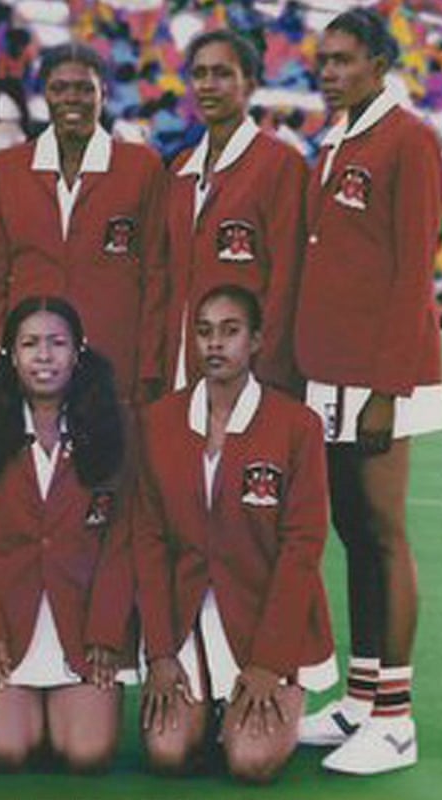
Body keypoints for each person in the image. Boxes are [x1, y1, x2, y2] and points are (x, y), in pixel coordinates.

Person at [293, 9, 442, 775]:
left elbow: (410, 272)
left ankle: (396, 718)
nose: (327, 72)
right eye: (321, 61)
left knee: (384, 535)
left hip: (383, 376)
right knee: (350, 534)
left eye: (344, 60)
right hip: (330, 373)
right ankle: (360, 699)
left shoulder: (410, 139)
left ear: (382, 63)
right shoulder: (336, 139)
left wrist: (387, 388)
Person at [135, 284, 335, 783]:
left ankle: (255, 701)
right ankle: (206, 710)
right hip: (187, 618)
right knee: (167, 755)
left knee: (250, 763)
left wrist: (270, 662)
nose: (215, 345)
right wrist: (159, 651)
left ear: (257, 340)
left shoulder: (297, 425)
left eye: (230, 331)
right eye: (203, 332)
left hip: (264, 618)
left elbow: (302, 548)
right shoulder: (157, 422)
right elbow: (148, 540)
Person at [0, 296, 134, 772]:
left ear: (79, 352)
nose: (44, 357)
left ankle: (63, 709)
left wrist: (106, 631)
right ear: (9, 354)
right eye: (30, 344)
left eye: (57, 344)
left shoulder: (115, 427)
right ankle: (28, 709)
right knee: (6, 752)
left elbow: (123, 540)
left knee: (87, 755)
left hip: (84, 623)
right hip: (3, 625)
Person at [0, 43, 167, 406]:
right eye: (59, 88)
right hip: (29, 365)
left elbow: (156, 277)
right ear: (43, 93)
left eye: (84, 88)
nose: (71, 98)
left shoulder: (142, 168)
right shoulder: (6, 170)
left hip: (113, 364)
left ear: (103, 93)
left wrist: (149, 368)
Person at [163, 29, 307, 395]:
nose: (208, 85)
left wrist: (270, 375)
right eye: (199, 74)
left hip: (251, 375)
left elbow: (287, 280)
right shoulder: (180, 169)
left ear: (250, 84)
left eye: (223, 73)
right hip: (180, 371)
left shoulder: (281, 165)